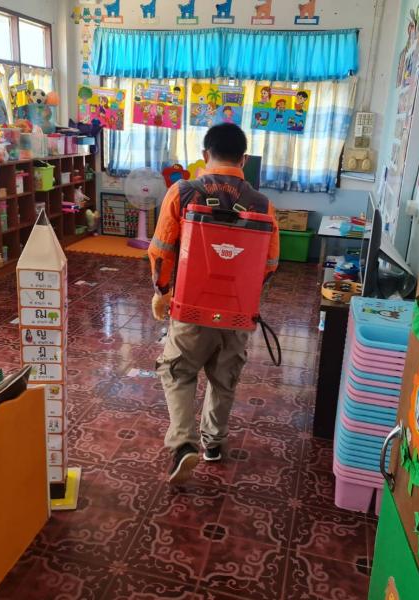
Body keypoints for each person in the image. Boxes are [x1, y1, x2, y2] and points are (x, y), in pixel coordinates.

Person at [148, 123, 279, 484]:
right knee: (224, 378)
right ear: (244, 159)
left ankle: (183, 445)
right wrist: (244, 298)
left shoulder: (183, 192)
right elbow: (270, 264)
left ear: (205, 155)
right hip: (237, 312)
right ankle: (214, 443)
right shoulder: (263, 204)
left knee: (178, 371)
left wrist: (162, 292)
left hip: (190, 308)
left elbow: (161, 251)